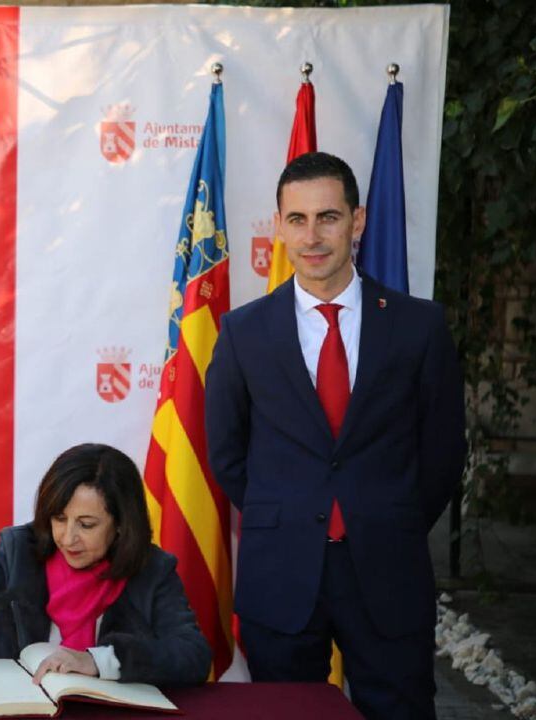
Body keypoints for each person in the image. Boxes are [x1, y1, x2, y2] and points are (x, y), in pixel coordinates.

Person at [205, 151, 465, 719]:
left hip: (388, 567)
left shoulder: (418, 327)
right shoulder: (243, 333)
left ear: (358, 221)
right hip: (282, 572)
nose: (312, 235)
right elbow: (226, 451)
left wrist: (386, 514)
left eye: (328, 217)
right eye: (296, 219)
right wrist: (288, 511)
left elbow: (443, 451)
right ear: (277, 226)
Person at [0, 443, 211, 698]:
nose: (67, 538)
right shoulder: (16, 553)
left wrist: (100, 660)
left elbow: (192, 655)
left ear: (121, 525)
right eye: (59, 519)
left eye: (86, 525)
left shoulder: (152, 569)